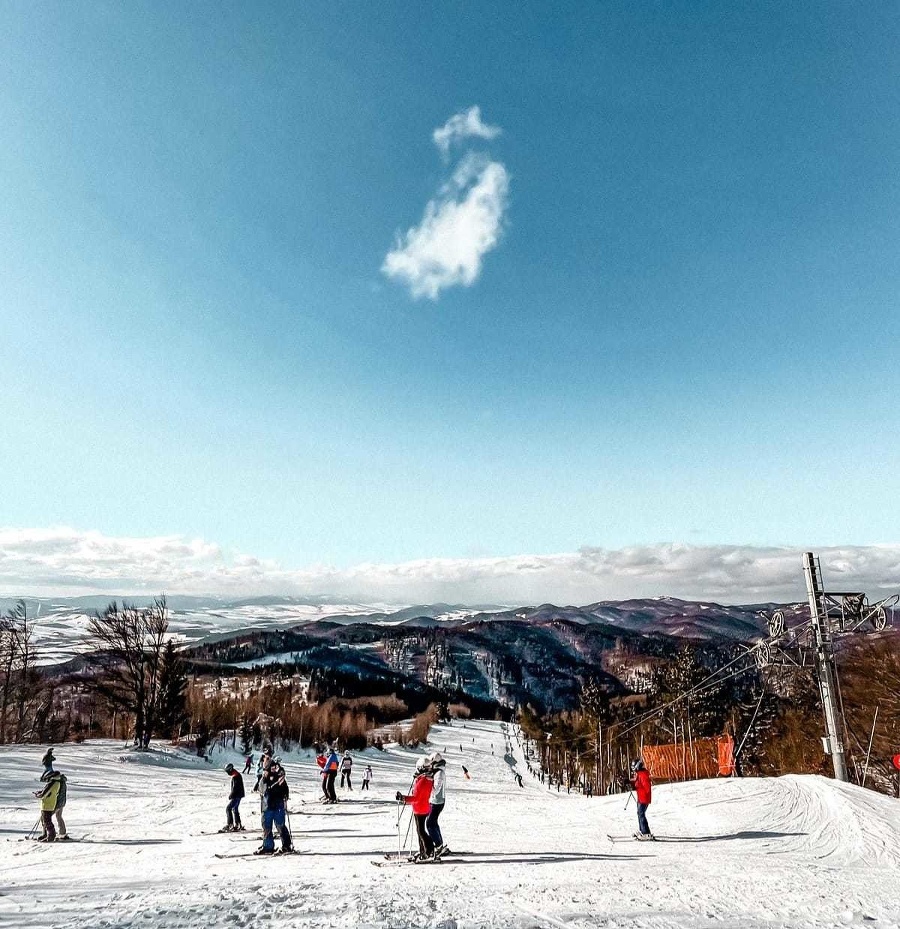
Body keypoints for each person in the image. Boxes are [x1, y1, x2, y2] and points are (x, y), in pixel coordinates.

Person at [396, 757, 434, 861]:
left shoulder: (422, 781)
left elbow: (416, 798)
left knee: (421, 831)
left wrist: (403, 798)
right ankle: (424, 851)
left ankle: (429, 851)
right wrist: (418, 778)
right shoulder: (427, 779)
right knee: (420, 831)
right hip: (423, 807)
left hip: (420, 809)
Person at [256, 759, 292, 855]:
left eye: (274, 768)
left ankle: (287, 845)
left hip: (278, 806)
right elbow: (262, 790)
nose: (272, 770)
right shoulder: (263, 780)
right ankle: (268, 846)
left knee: (280, 826)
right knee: (266, 827)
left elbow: (285, 789)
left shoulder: (279, 778)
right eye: (270, 769)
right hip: (267, 807)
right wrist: (267, 783)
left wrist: (285, 794)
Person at [426, 751, 448, 857]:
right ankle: (440, 844)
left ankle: (438, 845)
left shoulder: (439, 773)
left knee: (429, 823)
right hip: (434, 801)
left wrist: (428, 783)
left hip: (437, 801)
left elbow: (436, 789)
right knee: (433, 823)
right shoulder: (437, 771)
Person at [34, 770, 63, 842]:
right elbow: (49, 792)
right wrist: (41, 792)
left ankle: (51, 835)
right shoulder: (58, 782)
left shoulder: (52, 783)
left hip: (47, 804)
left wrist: (38, 795)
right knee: (46, 820)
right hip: (51, 803)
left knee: (47, 821)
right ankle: (47, 834)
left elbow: (45, 794)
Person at [631, 759, 653, 840]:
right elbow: (636, 783)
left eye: (634, 767)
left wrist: (637, 787)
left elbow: (646, 788)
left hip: (644, 798)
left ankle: (646, 833)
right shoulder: (639, 774)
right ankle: (642, 830)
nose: (633, 769)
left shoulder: (643, 774)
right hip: (641, 798)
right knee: (640, 813)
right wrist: (629, 783)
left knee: (641, 814)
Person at [222, 763, 245, 832]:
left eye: (227, 771)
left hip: (237, 796)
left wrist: (231, 795)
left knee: (228, 808)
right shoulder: (236, 774)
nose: (227, 773)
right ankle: (238, 824)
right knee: (235, 809)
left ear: (230, 769)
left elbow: (235, 788)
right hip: (238, 795)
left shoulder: (236, 776)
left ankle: (230, 824)